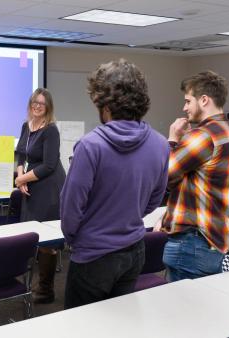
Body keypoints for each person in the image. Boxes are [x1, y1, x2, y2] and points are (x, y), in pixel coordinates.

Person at [60, 59, 170, 309]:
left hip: (92, 255)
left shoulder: (90, 146)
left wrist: (75, 238)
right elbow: (155, 199)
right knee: (119, 324)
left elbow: (70, 208)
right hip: (133, 251)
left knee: (80, 326)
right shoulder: (160, 143)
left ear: (105, 105)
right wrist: (125, 214)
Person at [158, 71, 229, 281]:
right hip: (213, 240)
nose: (184, 108)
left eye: (188, 101)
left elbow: (162, 176)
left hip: (192, 243)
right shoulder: (226, 134)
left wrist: (172, 140)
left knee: (183, 310)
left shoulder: (203, 135)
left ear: (204, 100)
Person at [15, 88, 66, 303]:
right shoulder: (26, 126)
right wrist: (20, 174)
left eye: (42, 104)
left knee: (46, 240)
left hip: (48, 187)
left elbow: (49, 165)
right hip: (31, 182)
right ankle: (36, 283)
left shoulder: (51, 130)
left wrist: (23, 179)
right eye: (34, 102)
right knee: (31, 232)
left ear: (48, 107)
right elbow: (19, 153)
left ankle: (46, 290)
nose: (37, 106)